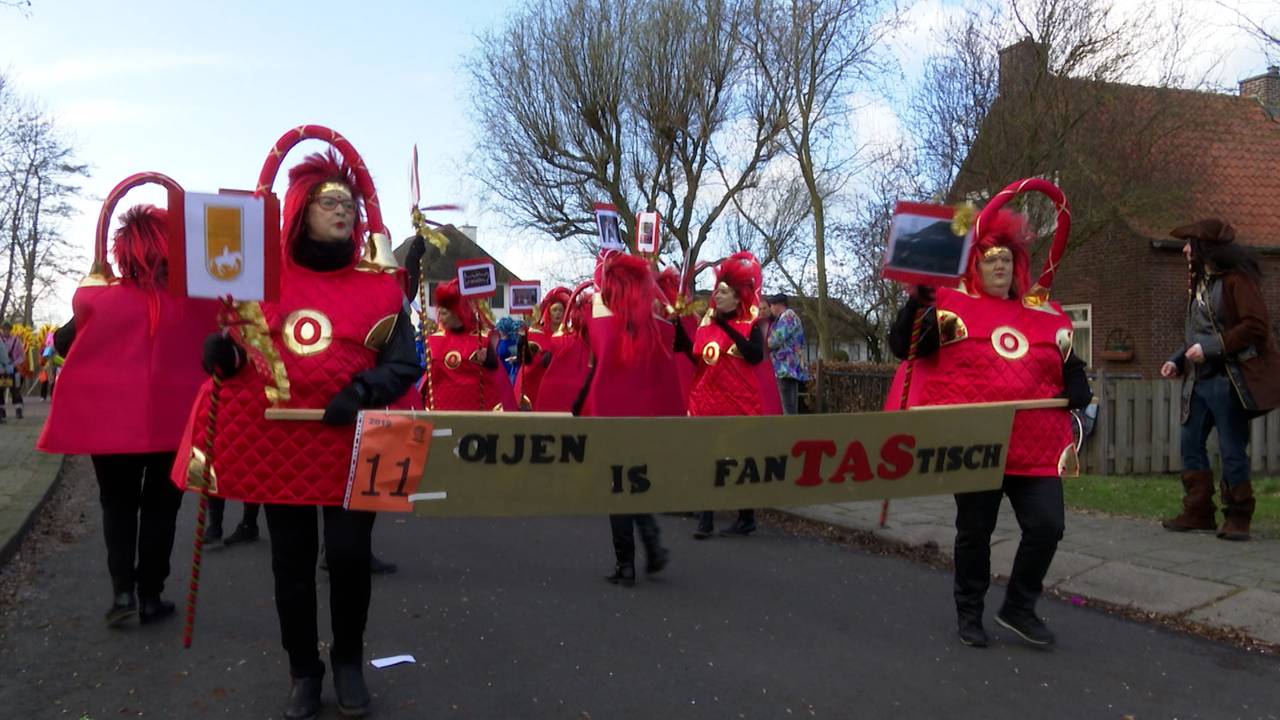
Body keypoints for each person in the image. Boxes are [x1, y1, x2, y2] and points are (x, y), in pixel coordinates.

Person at [173, 149, 421, 719]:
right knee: (291, 560)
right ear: (302, 209)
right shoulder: (260, 281)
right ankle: (303, 671)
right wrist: (225, 355)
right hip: (279, 439)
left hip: (364, 433)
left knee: (350, 553)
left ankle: (351, 663)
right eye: (329, 201)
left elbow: (406, 364)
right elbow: (250, 357)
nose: (342, 210)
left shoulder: (383, 286)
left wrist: (361, 391)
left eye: (349, 202)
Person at [888, 208, 1091, 650]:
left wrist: (1077, 378)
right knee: (975, 531)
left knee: (1047, 526)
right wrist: (917, 302)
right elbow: (903, 346)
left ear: (1017, 266)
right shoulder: (950, 309)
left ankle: (1019, 607)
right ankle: (969, 612)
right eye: (989, 258)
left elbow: (1066, 360)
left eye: (1005, 258)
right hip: (977, 440)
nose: (999, 265)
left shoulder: (1043, 314)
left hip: (1035, 446)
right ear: (975, 265)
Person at [38, 201, 218, 627]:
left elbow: (63, 343)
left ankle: (122, 593)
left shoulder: (100, 300)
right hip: (175, 423)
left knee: (116, 504)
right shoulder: (195, 303)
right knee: (161, 508)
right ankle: (151, 595)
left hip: (109, 423)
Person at [1160, 219, 1280, 541]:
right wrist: (1177, 360)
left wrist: (1211, 348)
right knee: (1190, 444)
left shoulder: (1237, 281)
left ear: (1205, 249)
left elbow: (1256, 326)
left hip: (1229, 380)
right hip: (1198, 381)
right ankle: (1198, 511)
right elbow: (1197, 335)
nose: (1184, 249)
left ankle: (1238, 516)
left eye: (1190, 244)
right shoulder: (1198, 283)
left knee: (1231, 449)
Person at [579, 253, 680, 586]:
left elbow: (590, 349)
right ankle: (650, 546)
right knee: (632, 485)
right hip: (643, 419)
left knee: (618, 488)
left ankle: (627, 563)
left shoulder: (599, 319)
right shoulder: (656, 327)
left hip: (611, 418)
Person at [686, 252, 781, 539]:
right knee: (706, 459)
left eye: (723, 292)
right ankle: (705, 520)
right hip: (707, 401)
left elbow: (754, 356)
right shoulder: (706, 325)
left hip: (738, 401)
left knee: (739, 459)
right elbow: (702, 360)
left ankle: (746, 517)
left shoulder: (750, 326)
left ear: (738, 299)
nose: (717, 296)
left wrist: (726, 326)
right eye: (717, 291)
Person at [426, 278, 517, 411]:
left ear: (458, 311)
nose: (440, 318)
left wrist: (487, 358)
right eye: (439, 312)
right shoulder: (433, 340)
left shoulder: (484, 338)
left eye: (444, 313)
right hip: (441, 412)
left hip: (478, 413)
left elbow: (496, 371)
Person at [516, 285, 571, 408]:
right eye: (555, 310)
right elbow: (526, 358)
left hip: (556, 385)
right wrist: (522, 339)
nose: (558, 313)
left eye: (561, 310)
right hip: (531, 383)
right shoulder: (535, 332)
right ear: (549, 312)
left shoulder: (569, 335)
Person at [765, 293, 810, 415]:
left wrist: (763, 343)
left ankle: (789, 430)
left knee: (787, 404)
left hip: (785, 367)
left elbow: (775, 340)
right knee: (790, 402)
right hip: (791, 366)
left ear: (778, 305)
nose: (771, 309)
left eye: (772, 305)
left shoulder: (787, 317)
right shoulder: (792, 317)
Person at [0, 321, 25, 421]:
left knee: (15, 390)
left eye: (8, 329)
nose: (6, 331)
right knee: (0, 390)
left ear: (10, 329)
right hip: (1, 370)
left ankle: (18, 410)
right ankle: (1, 411)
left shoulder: (16, 340)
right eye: (4, 329)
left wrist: (14, 364)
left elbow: (21, 356)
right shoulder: (0, 340)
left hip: (13, 369)